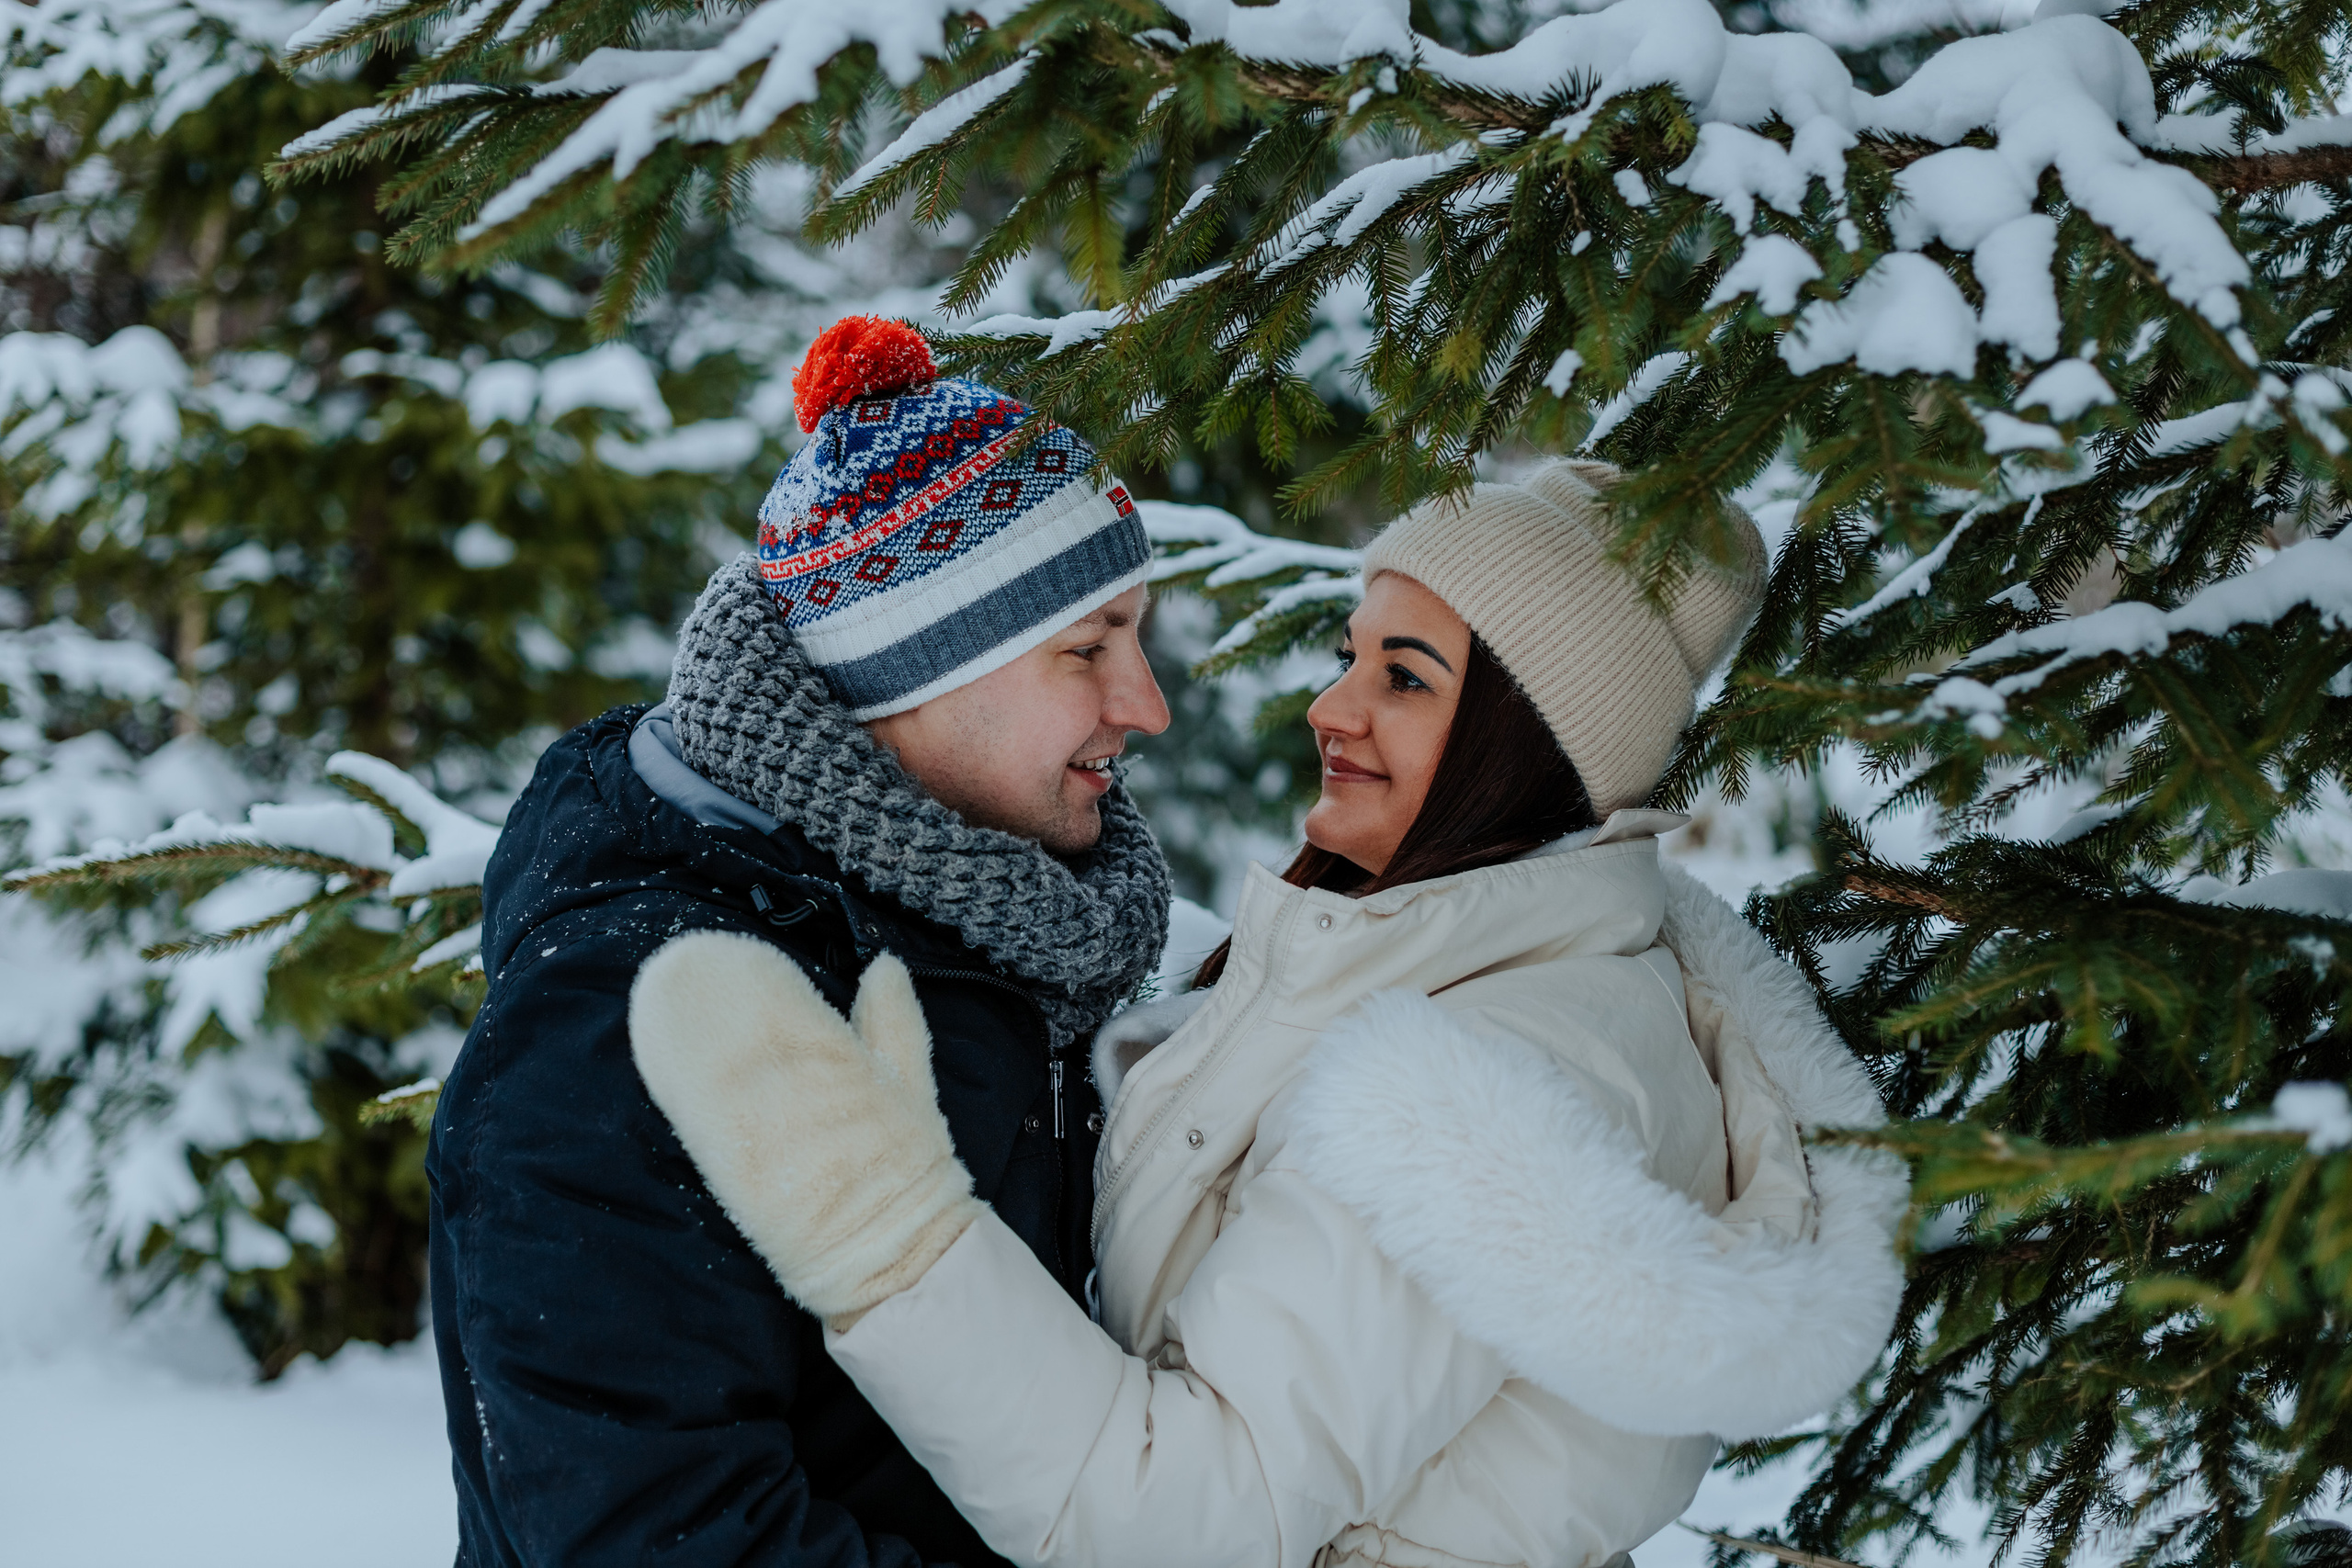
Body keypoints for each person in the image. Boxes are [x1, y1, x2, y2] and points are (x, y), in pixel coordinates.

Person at [633, 457, 1915, 1568]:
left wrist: (884, 1231)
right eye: (1349, 655)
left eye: (1405, 679)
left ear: (1530, 747)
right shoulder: (1497, 977)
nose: (1333, 706)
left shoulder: (1485, 1083)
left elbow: (1186, 1517)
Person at [426, 316, 1174, 1567]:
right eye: (1087, 650)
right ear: (907, 679)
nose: (1143, 705)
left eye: (1135, 637)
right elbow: (647, 1532)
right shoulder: (630, 1014)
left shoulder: (1011, 927)